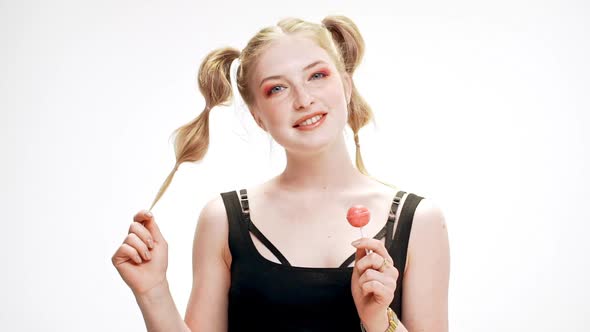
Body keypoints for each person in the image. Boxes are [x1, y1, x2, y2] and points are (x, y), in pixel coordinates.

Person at [111, 15, 450, 332]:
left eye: (317, 75)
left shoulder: (419, 221)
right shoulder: (223, 220)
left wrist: (377, 318)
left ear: (346, 85)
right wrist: (153, 291)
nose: (304, 99)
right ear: (258, 116)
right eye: (277, 88)